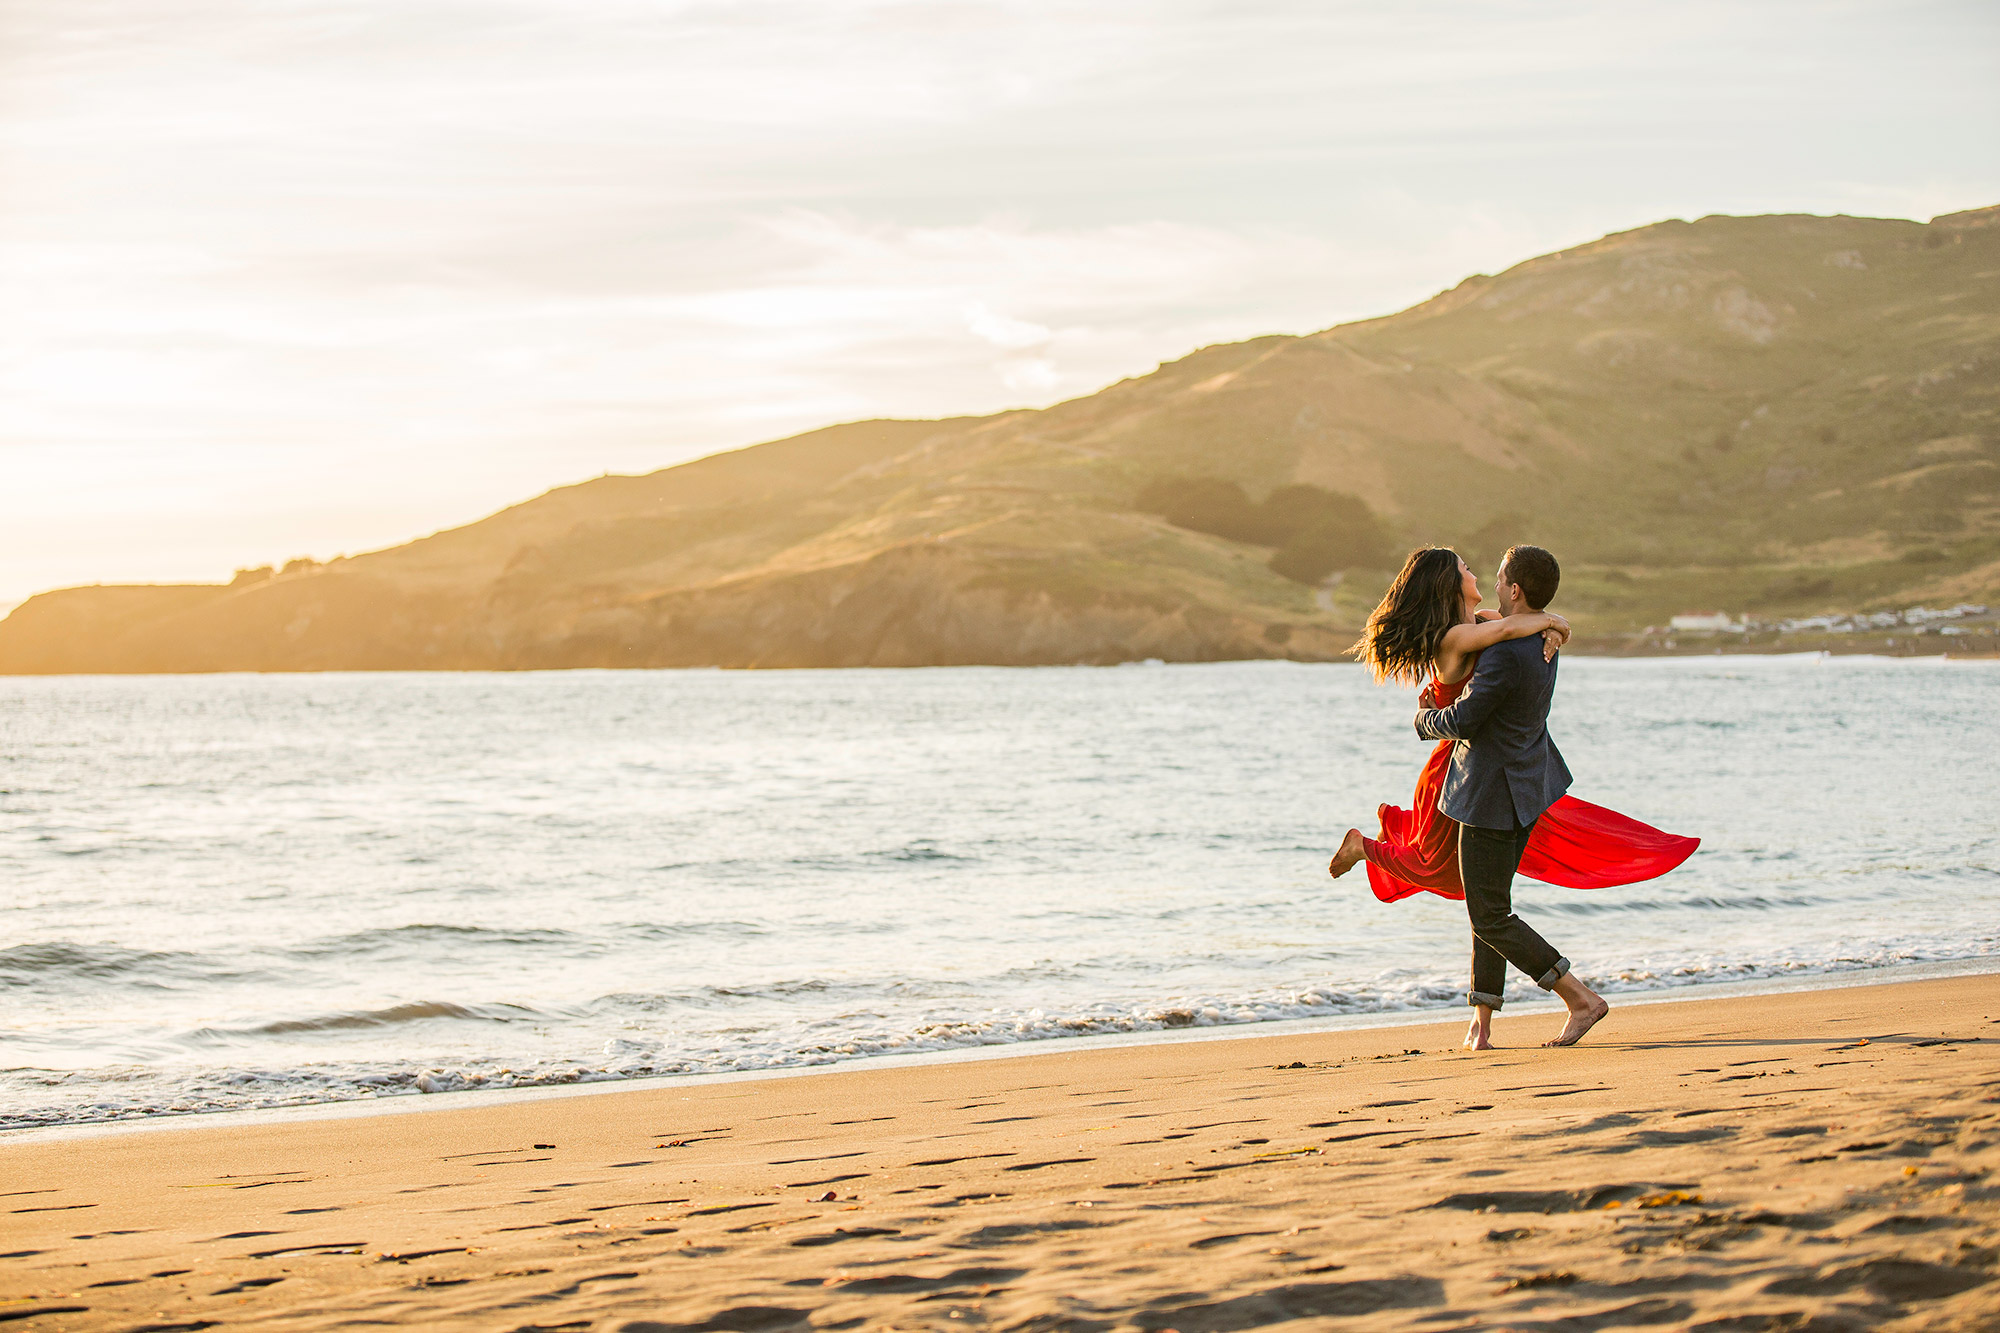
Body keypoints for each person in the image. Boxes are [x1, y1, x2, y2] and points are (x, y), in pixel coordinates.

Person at [1329, 544, 1697, 1049]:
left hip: (1485, 784)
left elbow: (1472, 697)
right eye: (1465, 569)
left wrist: (1422, 719)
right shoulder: (1493, 636)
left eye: (1494, 575)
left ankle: (1577, 998)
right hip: (1491, 778)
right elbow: (1505, 631)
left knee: (1482, 906)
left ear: (1515, 590)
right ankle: (1484, 1022)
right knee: (1482, 902)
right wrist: (1556, 624)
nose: (1480, 575)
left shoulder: (1494, 635)